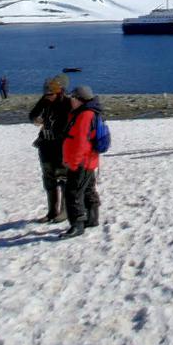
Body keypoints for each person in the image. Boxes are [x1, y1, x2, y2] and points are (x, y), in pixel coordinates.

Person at [60, 85, 103, 239]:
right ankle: (92, 219)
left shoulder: (85, 115)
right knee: (88, 189)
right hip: (88, 160)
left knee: (73, 192)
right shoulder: (87, 113)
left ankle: (77, 224)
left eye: (73, 98)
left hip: (81, 161)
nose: (71, 100)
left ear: (80, 99)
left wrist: (74, 162)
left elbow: (80, 142)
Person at [29, 75, 73, 222]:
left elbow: (70, 126)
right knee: (49, 179)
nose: (48, 97)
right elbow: (32, 114)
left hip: (61, 146)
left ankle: (64, 211)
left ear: (59, 92)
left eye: (51, 95)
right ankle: (52, 211)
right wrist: (35, 119)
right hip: (45, 144)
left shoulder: (67, 103)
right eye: (46, 94)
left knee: (63, 178)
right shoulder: (44, 100)